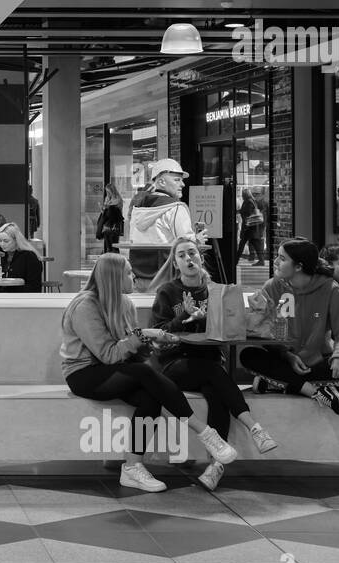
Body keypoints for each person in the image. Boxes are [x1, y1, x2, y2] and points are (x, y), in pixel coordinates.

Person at [60, 253, 238, 493]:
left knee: (150, 397)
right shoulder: (85, 306)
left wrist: (153, 344)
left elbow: (129, 351)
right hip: (83, 374)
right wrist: (145, 334)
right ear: (114, 278)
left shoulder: (125, 304)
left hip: (113, 370)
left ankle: (132, 467)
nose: (134, 276)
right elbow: (109, 355)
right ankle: (204, 432)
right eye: (129, 272)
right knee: (144, 373)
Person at [151, 237, 279, 489]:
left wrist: (208, 317)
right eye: (182, 255)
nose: (189, 259)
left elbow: (232, 328)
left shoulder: (218, 291)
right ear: (175, 263)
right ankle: (254, 428)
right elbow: (158, 332)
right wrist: (184, 317)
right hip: (175, 363)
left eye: (192, 253)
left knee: (217, 391)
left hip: (208, 361)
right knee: (215, 374)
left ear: (200, 257)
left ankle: (216, 467)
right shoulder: (167, 292)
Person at [240, 238, 339, 416]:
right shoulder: (272, 286)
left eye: (282, 258)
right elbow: (261, 333)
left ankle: (278, 383)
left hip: (317, 361)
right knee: (249, 355)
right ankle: (314, 391)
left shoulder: (330, 289)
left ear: (298, 266)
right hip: (284, 359)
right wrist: (287, 354)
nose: (275, 262)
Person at [126, 158, 206, 288]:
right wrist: (197, 240)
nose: (183, 184)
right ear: (161, 182)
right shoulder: (176, 208)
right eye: (177, 180)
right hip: (167, 279)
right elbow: (186, 244)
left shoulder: (137, 209)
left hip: (138, 277)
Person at [0, 222, 43, 293]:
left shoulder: (29, 257)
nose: (2, 244)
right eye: (0, 241)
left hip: (21, 298)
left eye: (6, 241)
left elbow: (34, 286)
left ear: (16, 240)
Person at [236, 187, 266, 265]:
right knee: (254, 244)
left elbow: (247, 214)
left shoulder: (248, 202)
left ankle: (235, 260)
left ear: (245, 194)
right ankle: (261, 260)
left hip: (249, 228)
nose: (242, 195)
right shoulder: (251, 201)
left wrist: (245, 227)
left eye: (243, 194)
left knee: (242, 244)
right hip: (251, 228)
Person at [95, 183, 125, 254]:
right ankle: (109, 258)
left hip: (114, 223)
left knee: (114, 244)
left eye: (109, 191)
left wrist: (108, 207)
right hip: (107, 224)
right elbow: (105, 212)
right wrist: (103, 209)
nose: (108, 193)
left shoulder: (118, 199)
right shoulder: (107, 198)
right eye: (107, 191)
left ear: (112, 191)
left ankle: (116, 259)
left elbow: (116, 211)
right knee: (108, 245)